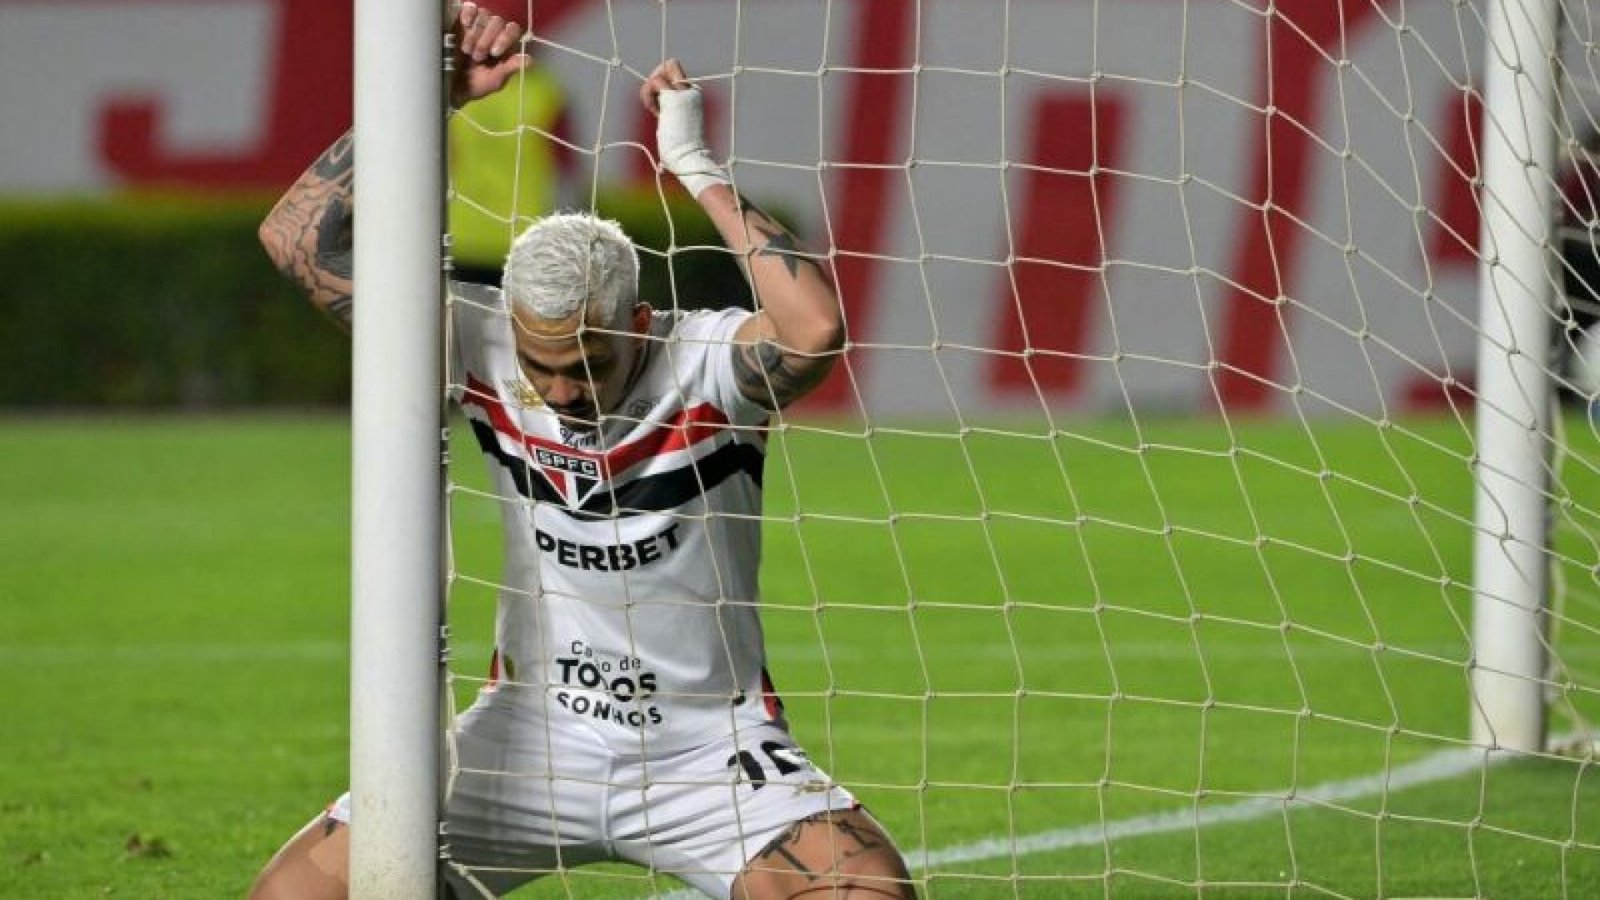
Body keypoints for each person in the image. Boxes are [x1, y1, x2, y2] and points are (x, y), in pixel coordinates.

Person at [248, 5, 917, 899]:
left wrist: (696, 171)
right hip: (527, 741)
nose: (563, 391)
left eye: (589, 365)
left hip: (704, 750)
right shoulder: (477, 342)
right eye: (543, 367)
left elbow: (816, 327)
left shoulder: (706, 364)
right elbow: (296, 240)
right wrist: (428, 98)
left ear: (638, 323)